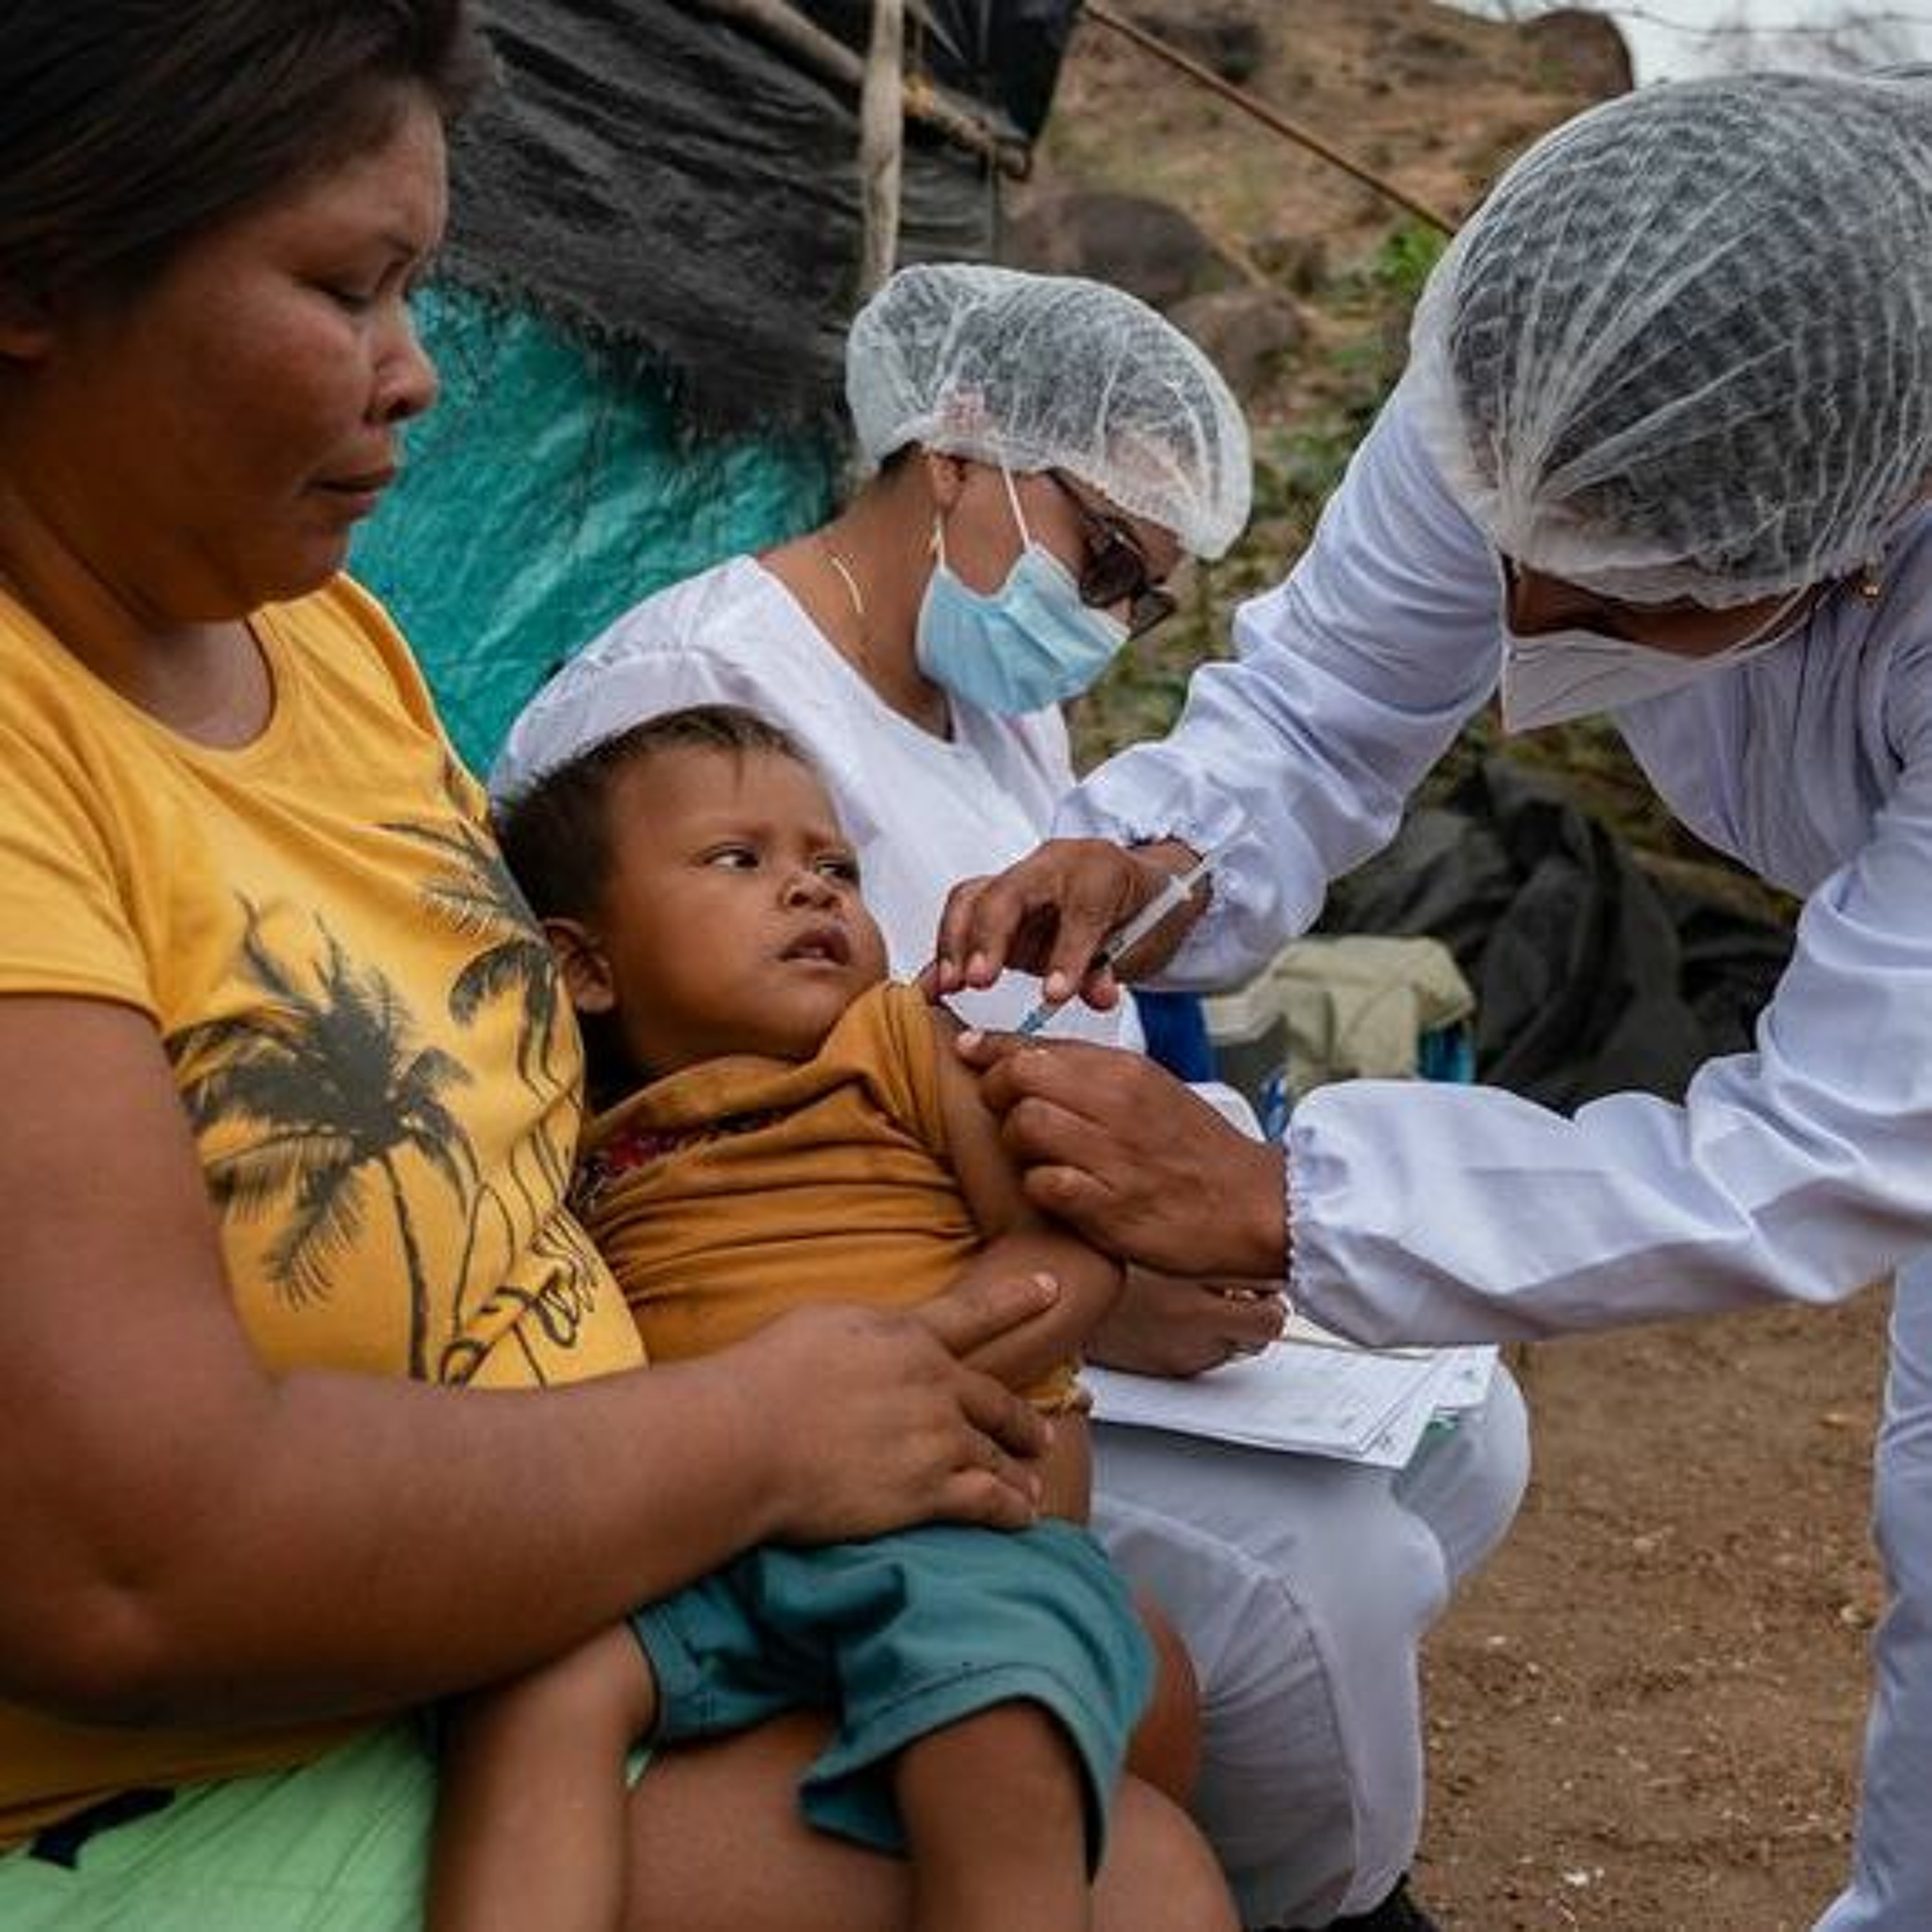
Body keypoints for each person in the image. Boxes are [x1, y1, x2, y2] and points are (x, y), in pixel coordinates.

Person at [0, 9, 1238, 1928]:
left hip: (558, 1568)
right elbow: (131, 1569)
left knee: (1126, 1705)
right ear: (36, 276)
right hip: (197, 1758)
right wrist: (763, 1428)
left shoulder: (321, 642)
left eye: (420, 287)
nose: (417, 373)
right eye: (344, 287)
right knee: (1117, 1861)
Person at [930, 69, 1932, 1932]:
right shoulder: (1544, 368)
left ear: (1875, 524)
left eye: (1623, 603)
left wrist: (1285, 1200)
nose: (1529, 629)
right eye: (1508, 559)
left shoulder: (1844, 435)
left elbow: (1820, 1148)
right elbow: (1330, 704)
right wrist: (1156, 852)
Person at [495, 260, 1530, 1931]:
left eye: (1146, 602)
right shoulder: (696, 698)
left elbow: (1043, 1000)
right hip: (853, 1315)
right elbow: (694, 1132)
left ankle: (1185, 1825)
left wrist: (1157, 1230)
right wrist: (1102, 1296)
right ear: (959, 445)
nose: (1107, 621)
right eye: (1103, 558)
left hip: (1032, 1259)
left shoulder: (995, 706)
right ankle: (1301, 1896)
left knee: (1470, 1436)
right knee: (1322, 1574)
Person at [431, 702, 1213, 1932]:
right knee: (541, 1693)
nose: (809, 889)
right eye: (737, 860)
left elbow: (1072, 1247)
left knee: (996, 1729)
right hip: (702, 1527)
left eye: (835, 867)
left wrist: (913, 1365)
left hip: (943, 1522)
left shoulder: (902, 1041)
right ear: (584, 968)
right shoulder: (570, 1128)